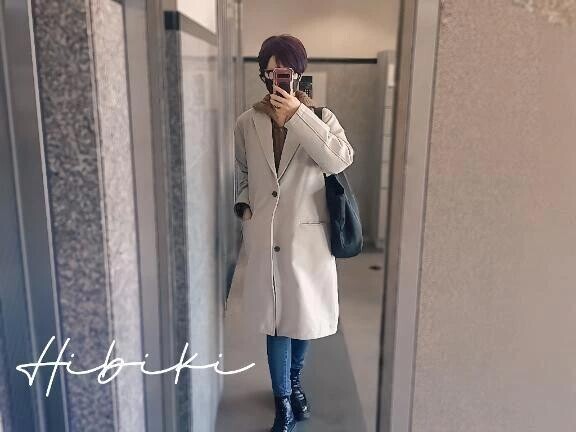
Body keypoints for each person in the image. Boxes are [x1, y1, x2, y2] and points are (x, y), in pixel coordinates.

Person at [232, 34, 354, 432]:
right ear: (262, 76)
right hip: (266, 236)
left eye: (284, 72)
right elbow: (242, 171)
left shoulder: (321, 118)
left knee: (303, 317)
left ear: (298, 74)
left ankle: (295, 381)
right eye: (270, 73)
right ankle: (283, 399)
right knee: (276, 322)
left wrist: (298, 116)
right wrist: (244, 205)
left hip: (307, 241)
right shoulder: (247, 121)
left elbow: (338, 160)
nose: (277, 80)